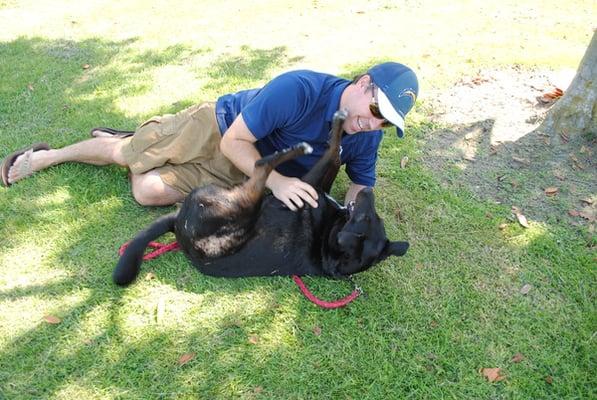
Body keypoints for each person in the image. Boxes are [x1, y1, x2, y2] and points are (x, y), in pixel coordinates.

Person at [1, 62, 418, 211]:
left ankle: (146, 142)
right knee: (127, 156)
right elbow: (234, 142)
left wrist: (354, 211)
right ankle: (49, 156)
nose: (374, 123)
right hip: (222, 128)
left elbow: (361, 182)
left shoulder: (366, 134)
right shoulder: (300, 89)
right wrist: (277, 181)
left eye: (387, 122)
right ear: (363, 84)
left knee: (146, 192)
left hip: (246, 171)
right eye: (377, 110)